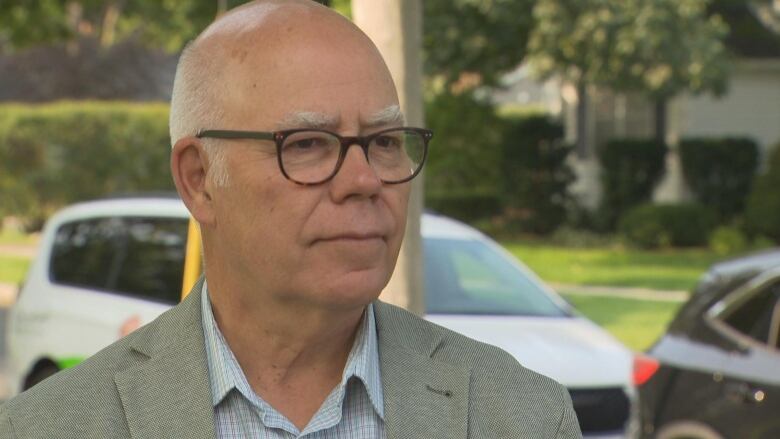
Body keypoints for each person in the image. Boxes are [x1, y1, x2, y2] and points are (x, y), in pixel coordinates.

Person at [0, 1, 581, 437]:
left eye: (384, 142)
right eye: (307, 145)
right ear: (199, 179)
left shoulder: (522, 416)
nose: (364, 181)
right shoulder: (50, 427)